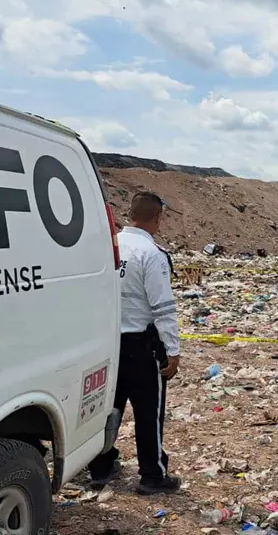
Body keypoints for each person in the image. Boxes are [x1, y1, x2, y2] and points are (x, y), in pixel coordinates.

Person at [89, 191, 182, 495]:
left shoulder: (108, 244)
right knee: (148, 413)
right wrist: (173, 350)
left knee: (106, 406)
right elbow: (163, 307)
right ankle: (152, 474)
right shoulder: (152, 254)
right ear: (157, 218)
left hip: (106, 342)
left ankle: (100, 465)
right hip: (141, 347)